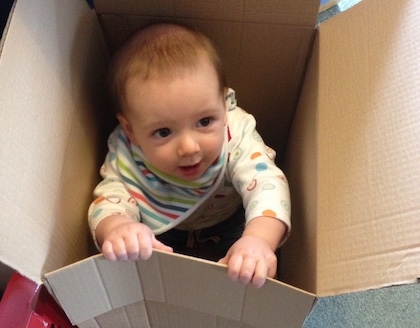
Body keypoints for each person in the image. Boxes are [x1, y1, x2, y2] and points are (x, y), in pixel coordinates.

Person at [88, 23, 291, 288]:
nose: (189, 148)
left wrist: (259, 240)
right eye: (163, 132)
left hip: (230, 221)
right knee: (137, 267)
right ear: (131, 130)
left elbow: (267, 185)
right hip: (162, 233)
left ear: (223, 101)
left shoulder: (236, 133)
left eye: (205, 121)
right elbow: (110, 198)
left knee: (252, 270)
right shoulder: (127, 151)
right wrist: (118, 229)